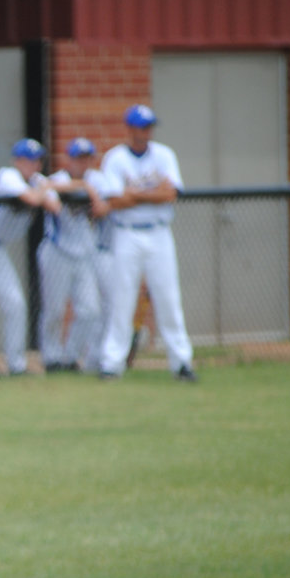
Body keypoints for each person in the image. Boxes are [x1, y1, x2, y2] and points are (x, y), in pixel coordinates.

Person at [97, 105, 197, 382]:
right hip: (127, 233)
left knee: (168, 298)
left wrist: (135, 194)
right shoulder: (115, 158)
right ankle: (112, 363)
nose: (146, 132)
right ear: (129, 129)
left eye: (149, 127)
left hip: (159, 232)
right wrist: (151, 192)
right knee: (122, 298)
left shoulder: (164, 155)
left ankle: (181, 362)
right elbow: (114, 201)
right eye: (141, 127)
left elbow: (170, 194)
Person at [0, 139, 61, 376]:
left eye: (37, 160)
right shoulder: (6, 176)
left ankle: (16, 364)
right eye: (28, 160)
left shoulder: (37, 181)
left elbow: (55, 207)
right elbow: (33, 199)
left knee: (15, 303)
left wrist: (44, 188)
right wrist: (45, 189)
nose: (34, 166)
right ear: (16, 161)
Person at [37, 138, 113, 373]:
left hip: (85, 254)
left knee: (90, 310)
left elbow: (105, 205)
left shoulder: (98, 179)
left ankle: (70, 357)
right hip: (58, 251)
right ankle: (51, 358)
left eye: (86, 158)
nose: (82, 162)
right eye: (77, 157)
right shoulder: (59, 178)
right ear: (69, 159)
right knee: (55, 309)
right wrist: (84, 188)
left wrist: (90, 190)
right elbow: (46, 191)